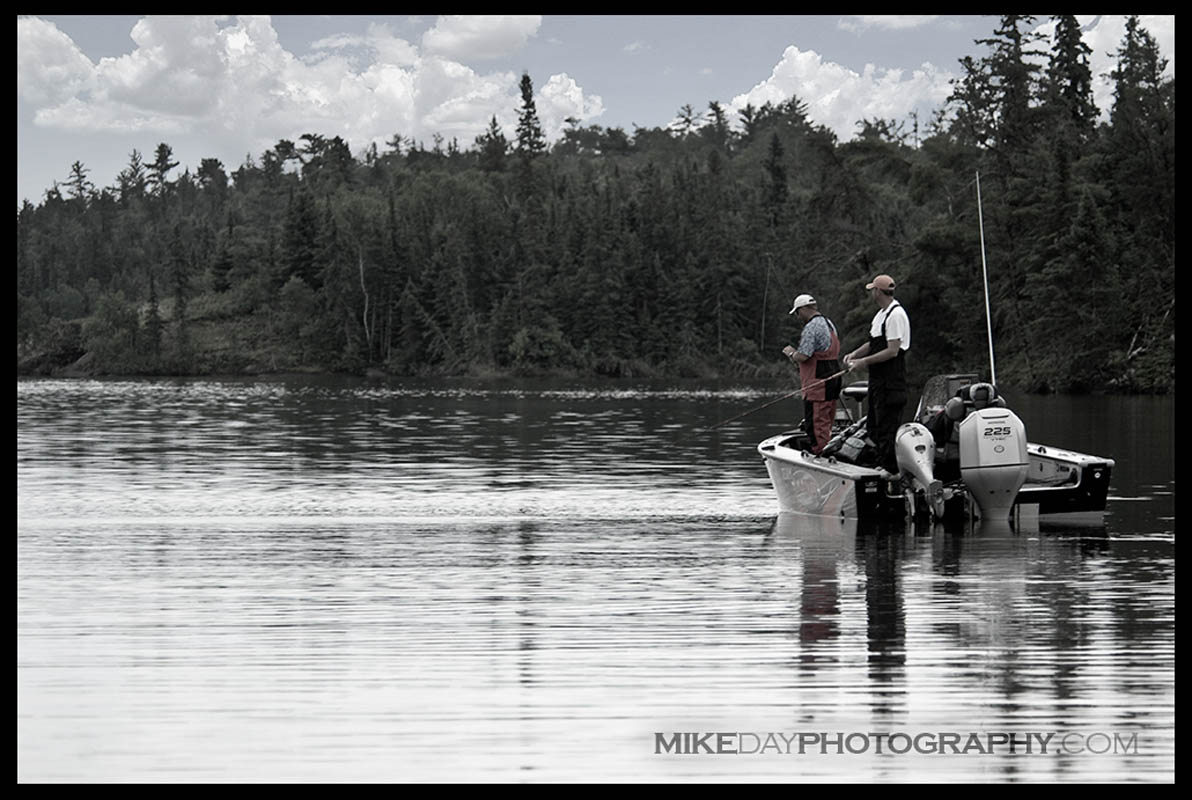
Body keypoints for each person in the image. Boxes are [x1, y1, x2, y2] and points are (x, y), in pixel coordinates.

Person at [843, 274, 910, 476]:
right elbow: (873, 343)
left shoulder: (896, 315)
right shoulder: (881, 314)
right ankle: (879, 464)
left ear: (878, 292)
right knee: (873, 426)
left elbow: (892, 351)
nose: (872, 293)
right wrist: (854, 354)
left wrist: (863, 362)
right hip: (877, 381)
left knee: (887, 428)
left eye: (873, 289)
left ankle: (890, 471)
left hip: (892, 381)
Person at [782, 294, 842, 455]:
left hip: (818, 384)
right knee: (827, 423)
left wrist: (790, 353)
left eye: (797, 312)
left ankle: (822, 457)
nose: (797, 316)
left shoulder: (811, 327)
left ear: (803, 309)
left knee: (816, 425)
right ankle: (828, 452)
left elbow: (803, 356)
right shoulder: (829, 324)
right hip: (833, 380)